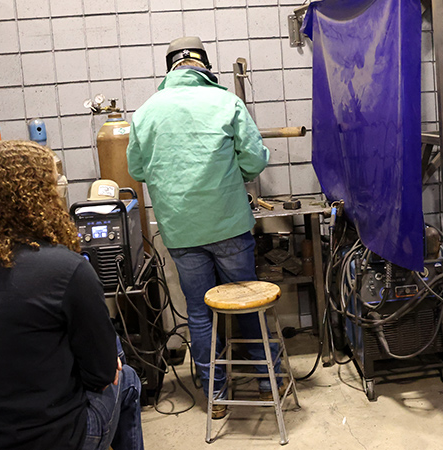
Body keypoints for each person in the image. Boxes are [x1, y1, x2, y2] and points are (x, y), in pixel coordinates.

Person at [0, 140, 144, 449]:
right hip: (51, 440)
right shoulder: (67, 269)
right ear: (43, 197)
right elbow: (100, 376)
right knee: (125, 378)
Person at [126, 36, 280, 419]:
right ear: (205, 66)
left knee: (199, 311)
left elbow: (137, 170)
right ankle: (266, 385)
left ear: (170, 69)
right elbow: (255, 161)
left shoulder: (145, 112)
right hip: (228, 224)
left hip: (181, 230)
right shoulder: (227, 102)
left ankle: (216, 397)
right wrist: (234, 174)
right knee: (247, 306)